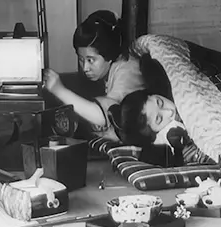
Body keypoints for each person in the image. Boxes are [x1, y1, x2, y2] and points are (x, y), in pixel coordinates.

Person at [43, 10, 148, 142]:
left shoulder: (127, 71)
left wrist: (58, 90)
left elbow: (104, 117)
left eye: (90, 60)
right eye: (81, 60)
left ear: (108, 54)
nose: (85, 68)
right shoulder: (110, 69)